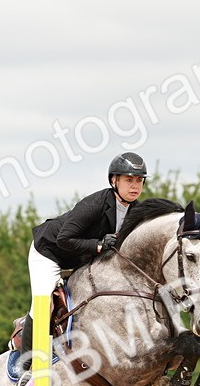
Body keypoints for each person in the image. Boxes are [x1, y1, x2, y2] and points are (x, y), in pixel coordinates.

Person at [17, 151, 148, 370]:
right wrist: (98, 245)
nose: (134, 185)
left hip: (81, 258)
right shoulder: (96, 203)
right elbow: (64, 238)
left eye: (139, 180)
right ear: (114, 181)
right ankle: (26, 367)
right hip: (50, 252)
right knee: (43, 302)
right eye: (128, 180)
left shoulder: (137, 211)